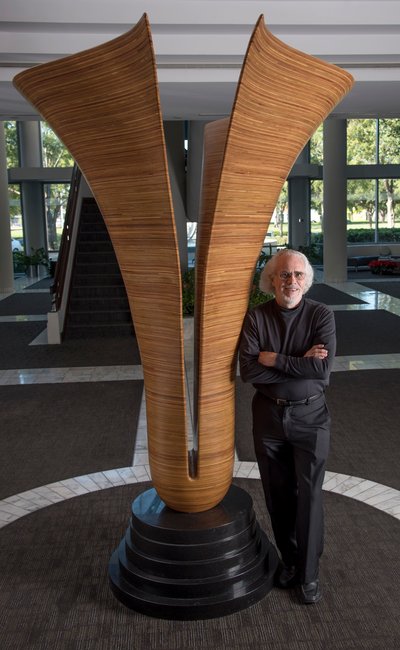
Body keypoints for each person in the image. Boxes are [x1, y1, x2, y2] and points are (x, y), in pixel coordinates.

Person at [239, 248, 336, 604]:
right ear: (271, 280)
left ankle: (309, 575)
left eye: (297, 275)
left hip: (311, 418)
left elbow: (321, 371)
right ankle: (291, 562)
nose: (290, 281)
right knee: (278, 496)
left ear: (306, 280)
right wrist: (300, 361)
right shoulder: (256, 318)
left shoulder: (321, 315)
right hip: (268, 417)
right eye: (283, 275)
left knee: (308, 497)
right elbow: (249, 371)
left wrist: (276, 359)